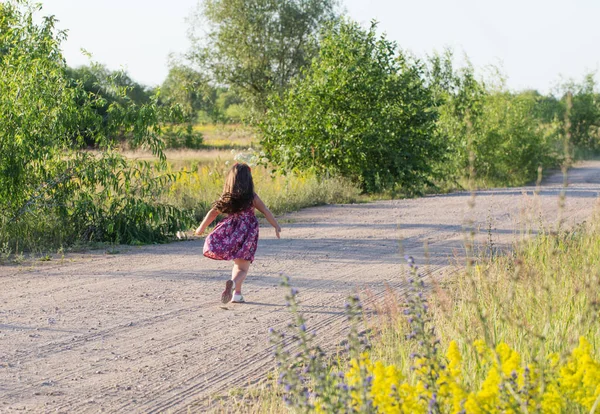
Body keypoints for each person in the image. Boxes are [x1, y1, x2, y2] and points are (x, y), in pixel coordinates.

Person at [195, 163, 281, 304]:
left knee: (237, 264)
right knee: (242, 267)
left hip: (231, 233)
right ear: (249, 180)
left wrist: (201, 228)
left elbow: (213, 213)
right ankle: (234, 284)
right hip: (247, 234)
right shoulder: (251, 197)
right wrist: (276, 226)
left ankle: (237, 294)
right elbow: (265, 211)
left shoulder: (227, 197)